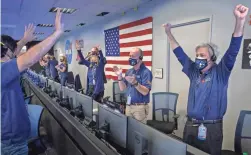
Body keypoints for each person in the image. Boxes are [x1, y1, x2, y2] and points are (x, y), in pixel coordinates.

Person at [162, 4, 249, 155]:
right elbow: (179, 53)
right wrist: (168, 33)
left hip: (211, 129)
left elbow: (233, 49)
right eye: (197, 55)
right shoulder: (193, 71)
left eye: (202, 55)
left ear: (212, 57)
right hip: (190, 126)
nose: (198, 58)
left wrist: (240, 21)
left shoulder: (221, 72)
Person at [1, 9, 64, 155]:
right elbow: (29, 58)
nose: (15, 56)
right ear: (6, 53)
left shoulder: (5, 68)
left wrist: (23, 40)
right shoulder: (2, 70)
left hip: (15, 138)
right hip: (12, 143)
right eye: (12, 53)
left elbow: (12, 53)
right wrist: (57, 33)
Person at [113, 47, 153, 123]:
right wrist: (120, 76)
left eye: (133, 56)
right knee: (128, 130)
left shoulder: (146, 72)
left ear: (140, 58)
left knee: (139, 132)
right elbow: (122, 87)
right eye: (130, 56)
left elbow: (145, 92)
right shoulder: (129, 71)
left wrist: (135, 83)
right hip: (128, 106)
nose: (130, 58)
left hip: (139, 108)